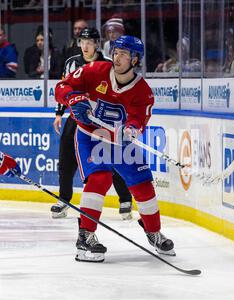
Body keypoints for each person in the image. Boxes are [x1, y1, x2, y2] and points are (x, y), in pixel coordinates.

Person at [55, 35, 175, 263]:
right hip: (91, 136)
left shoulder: (143, 92)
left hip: (120, 142)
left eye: (124, 54)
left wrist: (131, 129)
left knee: (143, 186)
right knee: (99, 179)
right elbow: (62, 86)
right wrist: (73, 97)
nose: (117, 57)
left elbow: (139, 119)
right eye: (116, 52)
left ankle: (154, 232)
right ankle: (85, 237)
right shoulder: (94, 71)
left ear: (136, 60)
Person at [52, 27, 133, 220]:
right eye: (82, 42)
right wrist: (58, 113)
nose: (85, 46)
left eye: (89, 42)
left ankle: (125, 199)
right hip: (76, 118)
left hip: (103, 121)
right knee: (66, 159)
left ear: (97, 44)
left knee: (111, 158)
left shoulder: (107, 64)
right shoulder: (72, 63)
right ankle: (64, 199)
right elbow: (64, 87)